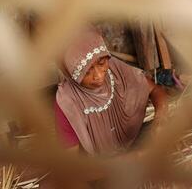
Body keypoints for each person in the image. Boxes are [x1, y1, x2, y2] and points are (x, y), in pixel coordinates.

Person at [55, 26, 167, 157]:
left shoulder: (114, 68)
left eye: (102, 63)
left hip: (130, 143)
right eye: (87, 72)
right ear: (72, 73)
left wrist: (161, 119)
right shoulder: (67, 103)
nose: (98, 76)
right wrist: (132, 159)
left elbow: (155, 90)